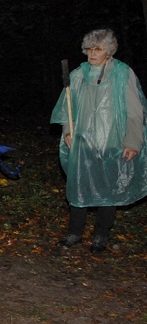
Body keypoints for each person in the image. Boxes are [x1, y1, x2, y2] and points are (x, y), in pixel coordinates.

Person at [50, 29, 147, 254]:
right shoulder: (78, 75)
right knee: (79, 186)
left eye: (99, 49)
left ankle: (101, 236)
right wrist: (68, 130)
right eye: (90, 49)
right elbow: (68, 106)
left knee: (108, 188)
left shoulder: (122, 73)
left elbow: (135, 111)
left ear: (109, 51)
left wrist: (133, 141)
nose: (93, 53)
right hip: (83, 142)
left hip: (112, 141)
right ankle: (74, 233)